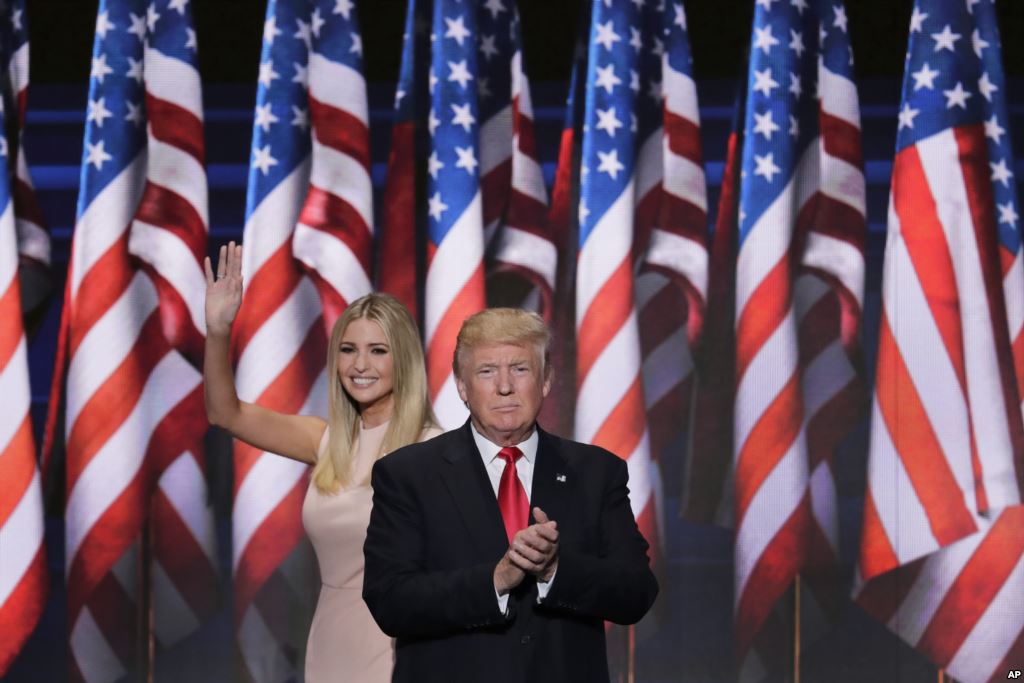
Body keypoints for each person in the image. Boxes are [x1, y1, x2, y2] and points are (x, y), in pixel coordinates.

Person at [362, 308, 658, 683]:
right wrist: (497, 580)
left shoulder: (596, 472)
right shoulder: (407, 475)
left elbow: (636, 592)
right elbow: (390, 601)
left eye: (520, 368)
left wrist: (554, 570)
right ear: (461, 385)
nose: (504, 386)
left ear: (546, 379)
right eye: (486, 371)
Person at [203, 242, 441, 682]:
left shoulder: (437, 450)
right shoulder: (326, 440)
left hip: (402, 649)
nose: (360, 365)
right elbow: (225, 414)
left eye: (378, 350)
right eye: (348, 350)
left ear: (403, 359)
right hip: (331, 645)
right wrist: (218, 331)